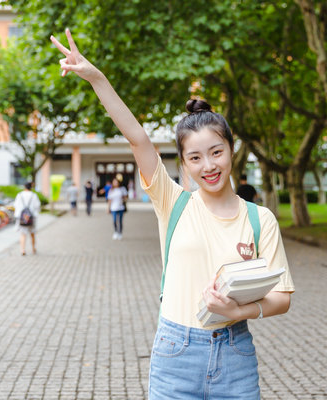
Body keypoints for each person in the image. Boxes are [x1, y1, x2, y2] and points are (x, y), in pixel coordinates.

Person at [52, 29, 294, 399]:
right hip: (175, 353)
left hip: (235, 354)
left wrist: (239, 309)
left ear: (232, 150)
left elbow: (282, 298)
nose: (208, 165)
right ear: (183, 164)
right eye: (195, 158)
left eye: (217, 152)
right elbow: (138, 139)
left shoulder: (261, 219)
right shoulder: (173, 201)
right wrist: (96, 78)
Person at [14, 182, 41, 256]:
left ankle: (23, 250)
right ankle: (33, 248)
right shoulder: (34, 195)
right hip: (32, 217)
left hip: (22, 218)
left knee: (23, 234)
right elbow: (37, 205)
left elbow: (16, 205)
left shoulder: (19, 195)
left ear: (24, 187)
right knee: (32, 234)